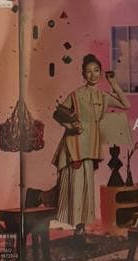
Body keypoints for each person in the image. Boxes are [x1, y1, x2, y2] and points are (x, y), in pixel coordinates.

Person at [51, 54, 130, 230]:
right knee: (76, 187)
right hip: (74, 146)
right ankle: (75, 228)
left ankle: (81, 228)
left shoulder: (104, 96)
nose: (92, 75)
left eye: (96, 71)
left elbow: (126, 105)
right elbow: (57, 114)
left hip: (90, 148)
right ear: (83, 74)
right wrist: (70, 126)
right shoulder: (76, 95)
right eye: (88, 71)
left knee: (87, 189)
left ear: (101, 73)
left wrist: (113, 83)